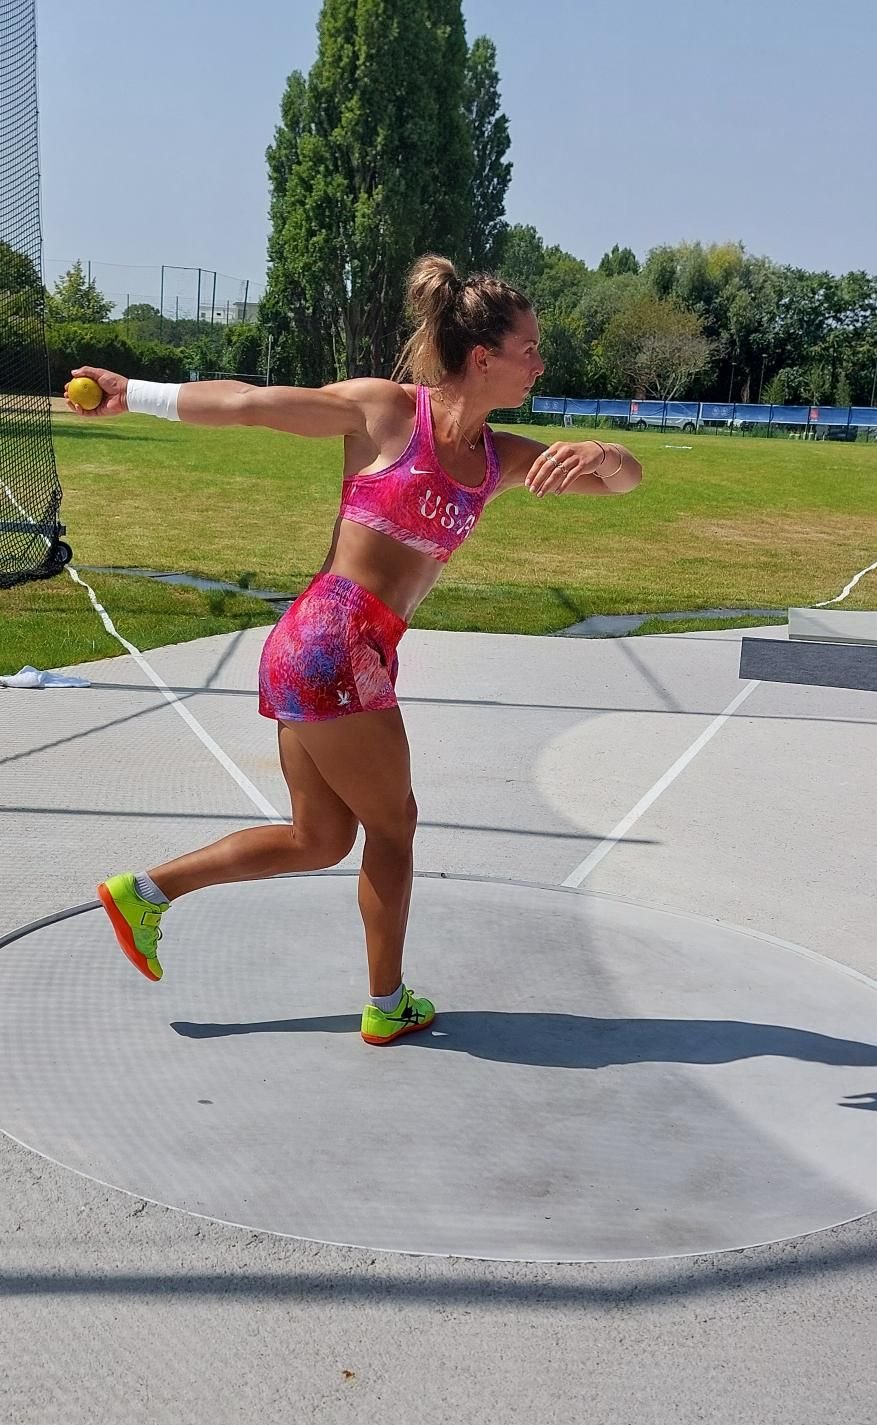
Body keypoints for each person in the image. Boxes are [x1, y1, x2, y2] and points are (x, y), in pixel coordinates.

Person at [68, 257, 644, 1044]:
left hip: (333, 646)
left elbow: (622, 485)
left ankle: (146, 893)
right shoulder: (385, 413)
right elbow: (248, 406)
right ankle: (387, 1002)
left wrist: (607, 457)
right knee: (395, 828)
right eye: (530, 349)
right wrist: (138, 394)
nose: (541, 363)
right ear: (483, 358)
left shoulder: (500, 458)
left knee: (320, 839)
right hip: (335, 641)